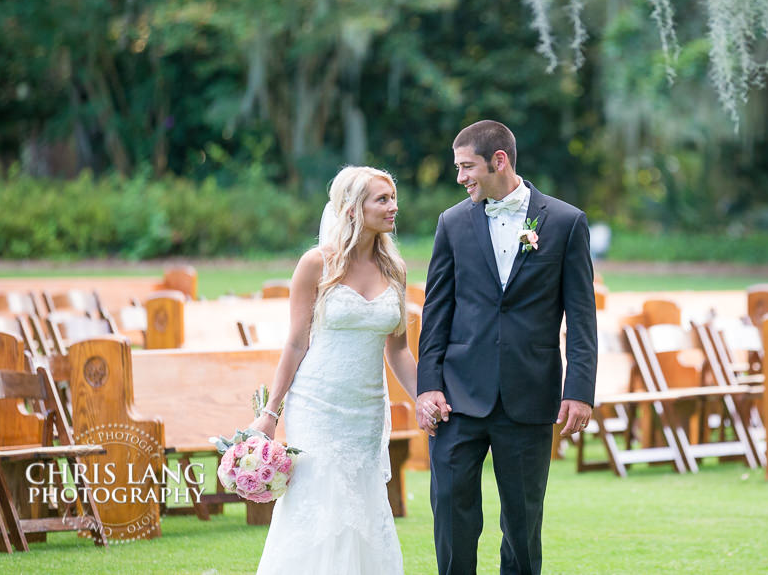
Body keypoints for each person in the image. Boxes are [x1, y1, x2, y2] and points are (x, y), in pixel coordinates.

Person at [416, 120, 598, 575]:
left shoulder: (565, 222)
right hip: (457, 399)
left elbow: (581, 316)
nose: (460, 178)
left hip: (529, 396)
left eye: (466, 166)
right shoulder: (452, 223)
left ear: (499, 160)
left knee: (522, 525)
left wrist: (579, 389)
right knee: (451, 519)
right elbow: (436, 310)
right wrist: (427, 387)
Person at [250, 166, 420, 574]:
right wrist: (269, 414)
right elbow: (295, 341)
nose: (394, 206)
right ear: (352, 207)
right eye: (382, 199)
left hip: (366, 410)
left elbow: (398, 351)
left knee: (363, 505)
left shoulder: (394, 269)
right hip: (317, 405)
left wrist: (423, 400)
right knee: (319, 504)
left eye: (393, 197)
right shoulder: (316, 264)